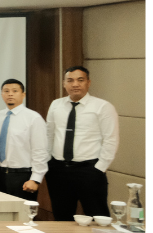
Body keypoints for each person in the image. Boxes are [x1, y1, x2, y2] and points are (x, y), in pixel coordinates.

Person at [45, 66, 119, 219]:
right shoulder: (56, 105)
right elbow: (49, 135)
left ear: (88, 82)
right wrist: (48, 162)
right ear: (64, 83)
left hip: (89, 170)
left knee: (97, 217)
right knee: (62, 218)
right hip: (58, 170)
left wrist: (99, 168)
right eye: (70, 80)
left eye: (80, 80)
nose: (75, 84)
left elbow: (111, 139)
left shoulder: (103, 107)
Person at [0, 79, 48, 205]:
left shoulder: (33, 118)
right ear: (2, 94)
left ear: (23, 94)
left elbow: (40, 151)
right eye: (6, 91)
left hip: (22, 176)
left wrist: (35, 179)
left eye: (15, 91)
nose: (10, 94)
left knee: (21, 214)